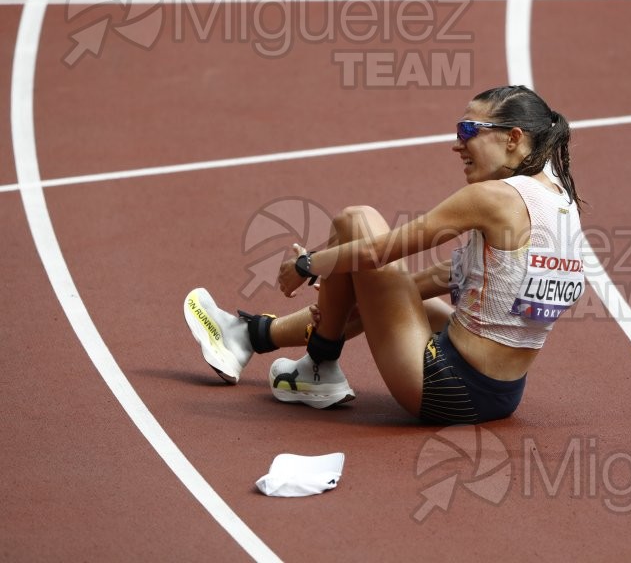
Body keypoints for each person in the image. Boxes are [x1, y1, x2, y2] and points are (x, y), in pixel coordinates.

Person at [183, 85, 586, 425]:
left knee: (357, 221)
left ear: (513, 138)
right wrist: (355, 296)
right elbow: (444, 277)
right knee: (372, 280)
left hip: (446, 387)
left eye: (468, 130)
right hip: (503, 394)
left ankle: (313, 365)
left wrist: (305, 266)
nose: (456, 144)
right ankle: (254, 338)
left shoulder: (494, 198)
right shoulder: (560, 203)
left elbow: (377, 251)